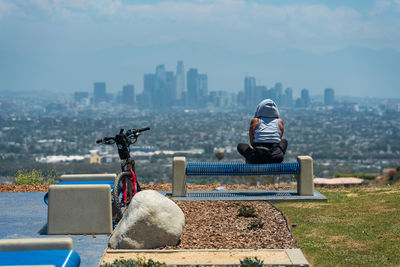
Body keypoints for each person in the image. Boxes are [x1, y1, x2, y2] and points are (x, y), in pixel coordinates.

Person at [237, 99, 288, 164]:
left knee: (240, 146)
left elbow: (251, 134)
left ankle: (252, 156)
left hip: (257, 156)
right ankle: (276, 154)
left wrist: (253, 147)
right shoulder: (279, 121)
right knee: (284, 141)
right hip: (276, 157)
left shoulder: (256, 121)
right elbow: (280, 137)